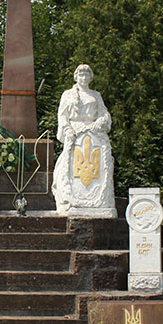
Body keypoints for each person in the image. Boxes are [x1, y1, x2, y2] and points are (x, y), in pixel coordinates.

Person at [52, 64, 115, 214]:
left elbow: (104, 114)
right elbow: (62, 115)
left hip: (94, 133)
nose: (83, 77)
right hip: (75, 132)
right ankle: (70, 199)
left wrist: (99, 122)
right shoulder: (68, 94)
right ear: (76, 77)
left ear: (90, 77)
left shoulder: (96, 95)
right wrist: (67, 129)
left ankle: (99, 201)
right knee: (67, 167)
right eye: (80, 75)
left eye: (86, 75)